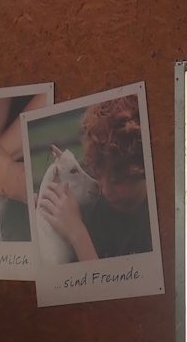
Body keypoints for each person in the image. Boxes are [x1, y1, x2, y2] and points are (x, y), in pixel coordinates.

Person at [37, 94, 153, 261]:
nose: (104, 190)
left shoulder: (153, 225)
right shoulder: (92, 208)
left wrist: (78, 235)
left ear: (141, 168)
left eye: (116, 180)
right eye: (97, 173)